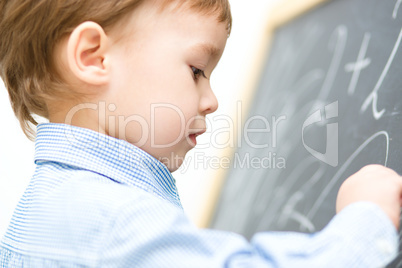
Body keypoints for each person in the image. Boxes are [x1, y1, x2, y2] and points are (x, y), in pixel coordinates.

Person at [0, 0, 401, 267]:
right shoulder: (113, 223)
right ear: (93, 57)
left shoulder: (50, 206)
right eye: (196, 70)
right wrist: (365, 221)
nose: (211, 100)